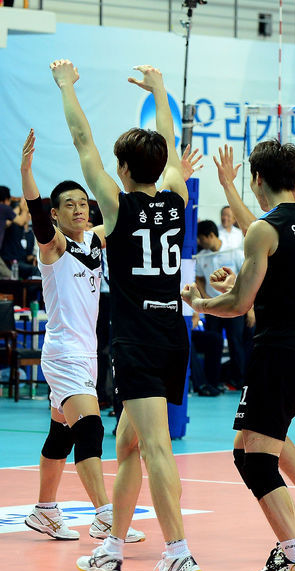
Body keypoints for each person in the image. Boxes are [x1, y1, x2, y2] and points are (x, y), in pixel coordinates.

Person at [51, 59, 201, 571]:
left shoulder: (115, 206)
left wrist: (67, 85)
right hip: (173, 334)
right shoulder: (177, 198)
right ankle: (111, 549)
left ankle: (178, 553)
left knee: (154, 447)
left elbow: (81, 139)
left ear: (121, 167)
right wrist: (160, 90)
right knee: (128, 444)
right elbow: (168, 142)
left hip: (137, 339)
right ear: (160, 166)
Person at [183, 139, 295, 571]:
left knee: (258, 462)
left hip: (279, 353)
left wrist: (200, 302)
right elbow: (281, 284)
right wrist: (245, 285)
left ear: (258, 179)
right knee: (246, 452)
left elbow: (240, 303)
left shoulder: (264, 229)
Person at [212, 142, 295, 549]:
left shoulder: (287, 222)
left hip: (289, 339)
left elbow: (263, 232)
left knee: (257, 446)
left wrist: (207, 300)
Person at [20, 130, 144, 545]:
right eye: (69, 205)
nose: (79, 209)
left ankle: (44, 510)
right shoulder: (52, 247)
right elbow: (37, 215)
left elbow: (126, 216)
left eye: (82, 203)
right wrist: (27, 172)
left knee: (61, 434)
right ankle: (105, 515)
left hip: (87, 354)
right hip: (63, 354)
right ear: (56, 214)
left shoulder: (94, 240)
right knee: (90, 428)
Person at [196, 219, 246, 388]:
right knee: (214, 344)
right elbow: (199, 278)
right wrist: (205, 298)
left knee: (235, 342)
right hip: (213, 307)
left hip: (233, 305)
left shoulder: (234, 252)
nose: (199, 242)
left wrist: (250, 307)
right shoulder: (202, 256)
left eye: (201, 238)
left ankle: (239, 381)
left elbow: (246, 277)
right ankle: (213, 382)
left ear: (211, 235)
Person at [1, 197, 40, 279]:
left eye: (30, 213)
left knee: (39, 269)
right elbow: (10, 220)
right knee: (35, 270)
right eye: (27, 213)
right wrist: (21, 207)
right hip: (10, 262)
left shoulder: (30, 234)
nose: (28, 215)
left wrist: (36, 258)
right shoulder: (12, 226)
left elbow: (28, 256)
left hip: (23, 263)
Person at [0, 185, 16, 278]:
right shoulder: (4, 208)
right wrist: (21, 207)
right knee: (11, 278)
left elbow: (6, 224)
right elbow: (21, 221)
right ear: (6, 199)